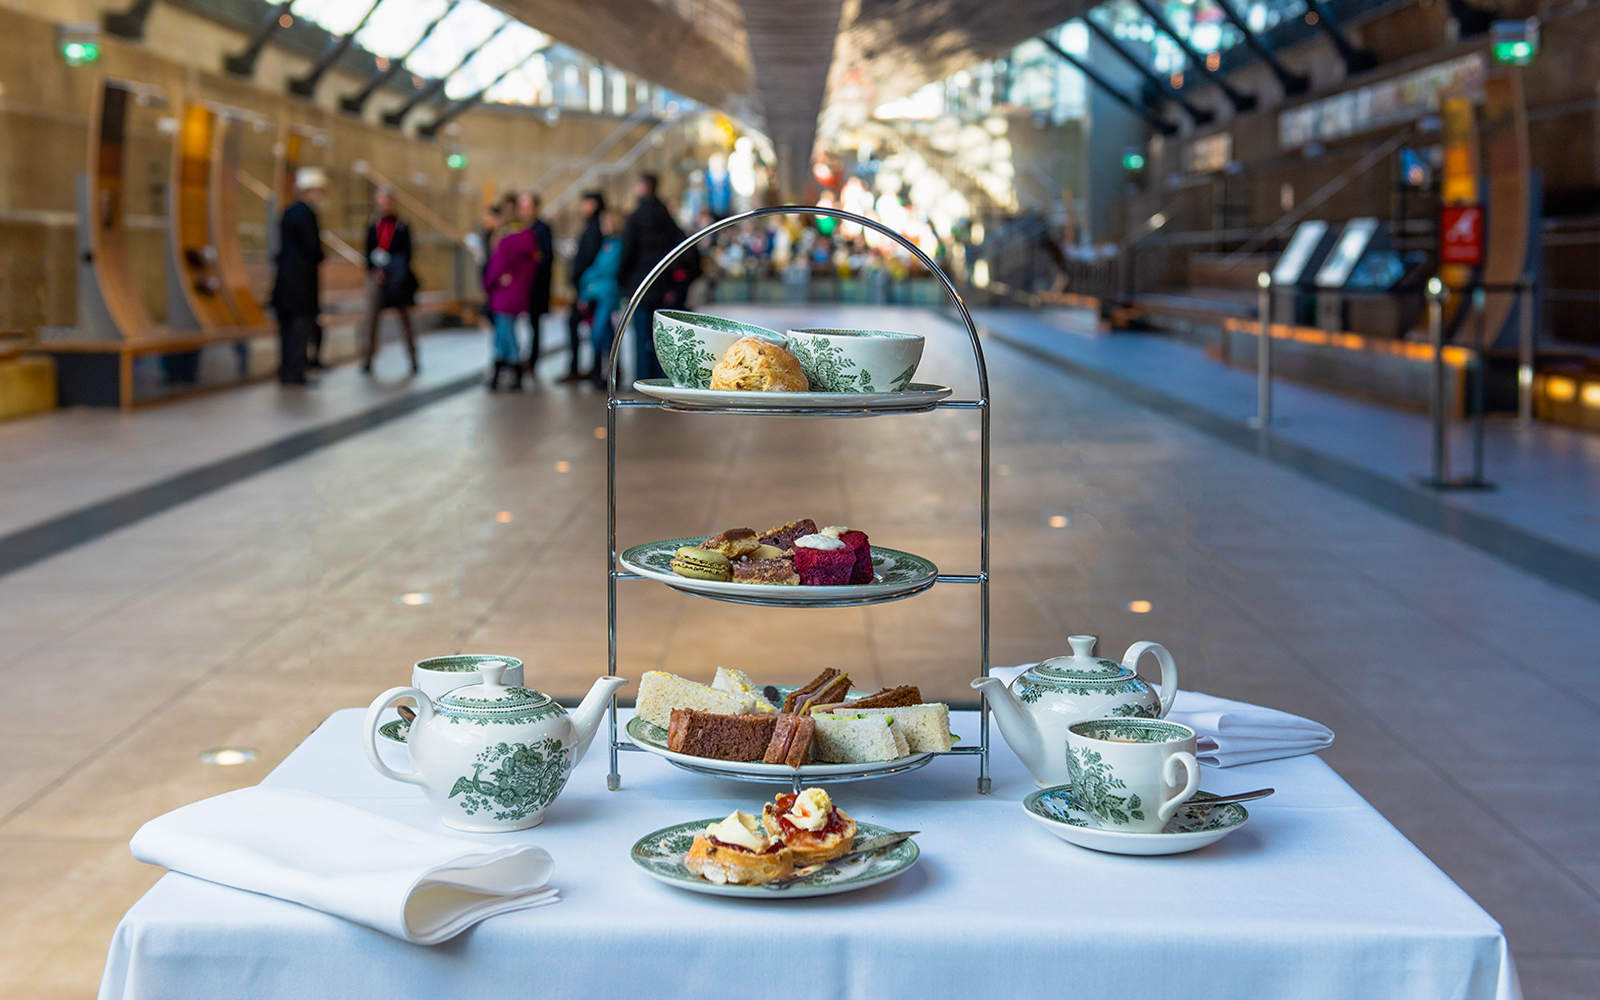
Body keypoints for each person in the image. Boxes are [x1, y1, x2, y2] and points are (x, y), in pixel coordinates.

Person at [617, 173, 697, 381]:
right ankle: (662, 379)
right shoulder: (667, 218)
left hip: (640, 285)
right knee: (661, 338)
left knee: (641, 336)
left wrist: (622, 280)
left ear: (643, 186)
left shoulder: (635, 218)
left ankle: (643, 379)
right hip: (664, 286)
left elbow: (627, 252)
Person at [269, 167, 326, 386]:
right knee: (300, 328)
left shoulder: (288, 211)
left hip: (285, 280)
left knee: (286, 329)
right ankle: (296, 370)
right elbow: (312, 247)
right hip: (302, 283)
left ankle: (286, 370)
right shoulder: (307, 213)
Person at [362, 187, 420, 375]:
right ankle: (368, 358)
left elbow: (407, 252)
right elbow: (368, 252)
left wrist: (395, 271)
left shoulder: (402, 225)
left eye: (386, 201)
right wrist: (375, 271)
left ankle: (413, 357)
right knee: (371, 319)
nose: (383, 205)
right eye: (380, 201)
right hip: (378, 277)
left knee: (405, 319)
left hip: (397, 278)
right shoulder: (373, 224)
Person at [482, 208, 539, 391]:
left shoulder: (506, 242)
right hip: (518, 293)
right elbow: (532, 270)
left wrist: (488, 284)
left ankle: (510, 367)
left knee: (504, 333)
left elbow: (495, 268)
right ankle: (503, 370)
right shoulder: (529, 242)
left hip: (503, 295)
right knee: (505, 330)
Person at [564, 191, 605, 383]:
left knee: (592, 326)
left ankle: (592, 369)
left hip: (590, 287)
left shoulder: (595, 228)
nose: (582, 207)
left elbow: (589, 259)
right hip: (589, 286)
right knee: (597, 327)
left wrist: (580, 281)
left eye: (585, 203)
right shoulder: (592, 227)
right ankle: (595, 368)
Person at [581, 210, 624, 389]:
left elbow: (602, 268)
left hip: (606, 294)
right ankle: (609, 371)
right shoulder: (607, 244)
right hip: (600, 293)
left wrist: (586, 279)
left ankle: (604, 371)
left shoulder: (616, 246)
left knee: (599, 332)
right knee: (606, 334)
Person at [518, 191, 554, 376]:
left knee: (534, 324)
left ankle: (532, 361)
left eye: (526, 206)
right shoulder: (518, 227)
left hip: (536, 286)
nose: (522, 210)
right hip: (519, 286)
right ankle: (515, 357)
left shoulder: (542, 228)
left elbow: (545, 257)